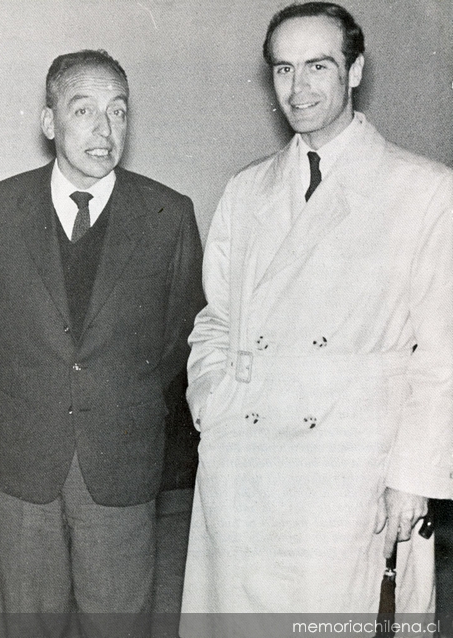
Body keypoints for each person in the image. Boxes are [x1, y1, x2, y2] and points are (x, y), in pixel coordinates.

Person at [180, 0, 453, 631]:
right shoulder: (246, 190)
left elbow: (441, 357)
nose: (298, 88)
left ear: (355, 71)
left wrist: (412, 479)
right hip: (243, 466)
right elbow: (215, 320)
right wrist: (213, 405)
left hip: (351, 474)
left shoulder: (423, 191)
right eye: (282, 70)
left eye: (318, 67)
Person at [0, 49, 203, 632]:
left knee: (118, 620)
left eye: (118, 112)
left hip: (121, 456)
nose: (105, 128)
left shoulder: (168, 214)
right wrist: (34, 395)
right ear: (50, 123)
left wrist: (122, 397)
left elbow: (181, 332)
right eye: (85, 110)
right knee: (30, 622)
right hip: (24, 457)